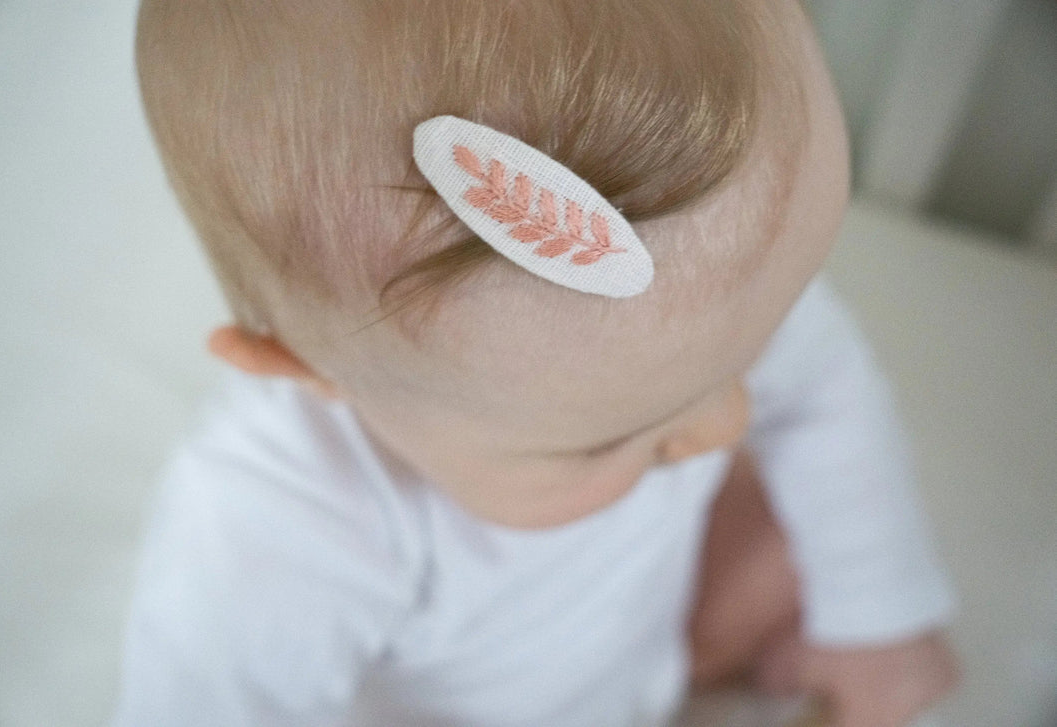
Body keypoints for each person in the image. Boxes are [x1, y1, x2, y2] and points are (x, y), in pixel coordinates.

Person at [118, 1, 958, 725]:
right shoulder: (275, 535)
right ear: (302, 370)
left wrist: (878, 618)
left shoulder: (700, 309)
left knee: (804, 530)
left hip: (646, 627)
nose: (726, 425)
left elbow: (821, 390)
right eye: (603, 442)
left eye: (756, 346)